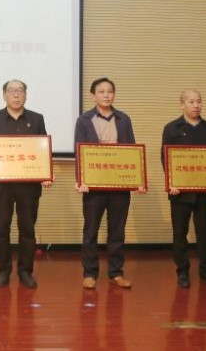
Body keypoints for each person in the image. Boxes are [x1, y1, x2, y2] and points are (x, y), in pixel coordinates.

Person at [0, 79, 50, 289]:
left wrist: (46, 172)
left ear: (25, 95)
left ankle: (25, 271)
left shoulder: (37, 119)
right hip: (1, 186)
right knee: (1, 230)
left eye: (20, 90)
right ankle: (3, 271)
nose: (16, 94)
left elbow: (42, 150)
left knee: (27, 229)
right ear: (4, 95)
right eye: (11, 91)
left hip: (28, 186)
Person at [75, 77, 142, 289]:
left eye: (110, 91)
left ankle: (116, 273)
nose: (106, 95)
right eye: (101, 91)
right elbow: (79, 151)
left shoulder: (124, 119)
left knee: (117, 231)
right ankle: (90, 273)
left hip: (119, 186)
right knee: (90, 231)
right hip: (94, 186)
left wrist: (138, 179)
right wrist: (80, 180)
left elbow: (132, 150)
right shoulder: (84, 120)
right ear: (93, 95)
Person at [161, 89, 206, 289]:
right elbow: (165, 158)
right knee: (180, 233)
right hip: (180, 192)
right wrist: (172, 182)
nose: (196, 105)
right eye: (191, 102)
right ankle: (182, 272)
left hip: (204, 192)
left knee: (204, 232)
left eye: (199, 101)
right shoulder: (171, 128)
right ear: (181, 104)